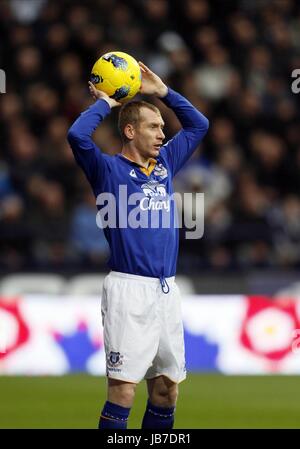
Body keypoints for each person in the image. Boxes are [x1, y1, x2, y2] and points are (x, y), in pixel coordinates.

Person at [67, 61, 209, 429]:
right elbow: (77, 137)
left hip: (167, 291)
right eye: (153, 126)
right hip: (129, 290)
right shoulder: (107, 171)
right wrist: (105, 102)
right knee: (123, 391)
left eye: (163, 127)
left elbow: (199, 125)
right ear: (130, 131)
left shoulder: (164, 165)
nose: (163, 134)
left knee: (165, 390)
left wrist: (163, 93)